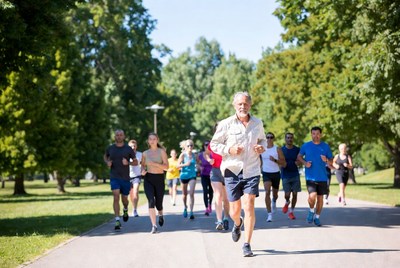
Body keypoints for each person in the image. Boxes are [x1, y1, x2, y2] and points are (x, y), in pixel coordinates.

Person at [210, 91, 267, 257]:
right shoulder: (226, 123)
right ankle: (237, 222)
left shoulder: (257, 123)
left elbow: (262, 140)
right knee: (235, 211)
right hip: (232, 170)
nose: (243, 106)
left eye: (246, 103)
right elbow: (214, 144)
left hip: (252, 169)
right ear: (234, 105)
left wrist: (261, 147)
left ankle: (247, 244)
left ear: (250, 105)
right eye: (240, 104)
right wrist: (229, 149)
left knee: (249, 204)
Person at [297, 126, 333, 227]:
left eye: (317, 134)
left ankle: (317, 217)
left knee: (320, 199)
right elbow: (299, 156)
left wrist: (326, 160)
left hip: (322, 177)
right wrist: (305, 163)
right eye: (313, 134)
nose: (315, 136)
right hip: (310, 177)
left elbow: (331, 160)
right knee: (312, 196)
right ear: (311, 134)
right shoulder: (306, 146)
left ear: (320, 135)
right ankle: (311, 210)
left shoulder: (325, 146)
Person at [104, 129, 138, 230]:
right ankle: (117, 220)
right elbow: (105, 156)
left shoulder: (128, 149)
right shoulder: (110, 148)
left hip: (125, 178)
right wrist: (107, 162)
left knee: (124, 199)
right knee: (115, 197)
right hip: (114, 177)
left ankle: (126, 209)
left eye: (121, 135)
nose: (119, 136)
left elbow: (136, 162)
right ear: (115, 137)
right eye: (117, 135)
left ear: (124, 137)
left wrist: (128, 163)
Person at [141, 132, 169, 234]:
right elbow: (143, 165)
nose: (152, 141)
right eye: (150, 139)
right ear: (148, 141)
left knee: (159, 204)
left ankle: (160, 215)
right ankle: (154, 225)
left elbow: (166, 167)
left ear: (157, 140)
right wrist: (142, 171)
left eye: (154, 139)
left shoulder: (162, 152)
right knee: (151, 201)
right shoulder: (145, 153)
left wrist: (154, 164)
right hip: (148, 179)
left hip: (159, 179)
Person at [205, 122, 230, 231]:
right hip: (215, 171)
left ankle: (226, 218)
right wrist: (209, 159)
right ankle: (219, 220)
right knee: (218, 195)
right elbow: (206, 153)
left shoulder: (229, 142)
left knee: (226, 199)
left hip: (228, 171)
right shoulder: (213, 143)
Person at [260, 132, 286, 222]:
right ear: (265, 139)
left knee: (275, 194)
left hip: (275, 174)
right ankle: (269, 214)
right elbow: (259, 161)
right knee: (267, 192)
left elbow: (284, 163)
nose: (269, 139)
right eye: (267, 137)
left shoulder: (277, 149)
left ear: (273, 139)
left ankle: (274, 201)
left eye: (271, 137)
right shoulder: (262, 149)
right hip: (266, 173)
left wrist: (275, 160)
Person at [280, 132, 301, 220]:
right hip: (285, 174)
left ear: (293, 139)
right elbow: (280, 161)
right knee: (287, 194)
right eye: (288, 138)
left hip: (295, 174)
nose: (289, 139)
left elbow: (301, 160)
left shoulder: (297, 149)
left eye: (291, 138)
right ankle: (287, 202)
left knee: (295, 194)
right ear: (285, 139)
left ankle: (291, 211)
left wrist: (298, 162)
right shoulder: (281, 150)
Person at [178, 139, 197, 220]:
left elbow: (198, 162)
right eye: (188, 146)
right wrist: (185, 164)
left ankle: (191, 212)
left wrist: (199, 166)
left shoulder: (194, 155)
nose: (190, 147)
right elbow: (177, 166)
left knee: (191, 193)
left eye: (191, 145)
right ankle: (185, 207)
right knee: (184, 195)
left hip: (192, 176)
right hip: (184, 176)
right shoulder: (182, 155)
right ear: (185, 147)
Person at [197, 140, 213, 216]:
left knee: (211, 192)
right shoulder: (200, 155)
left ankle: (210, 204)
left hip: (212, 175)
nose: (206, 146)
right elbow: (197, 163)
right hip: (204, 175)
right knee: (205, 191)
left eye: (208, 145)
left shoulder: (213, 154)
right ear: (203, 146)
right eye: (205, 145)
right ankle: (206, 207)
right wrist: (200, 167)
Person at [128, 139, 142, 217]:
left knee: (135, 192)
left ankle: (135, 210)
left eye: (134, 146)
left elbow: (143, 163)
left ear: (136, 146)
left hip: (137, 176)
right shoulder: (126, 155)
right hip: (128, 176)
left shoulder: (140, 154)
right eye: (131, 146)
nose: (133, 147)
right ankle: (133, 207)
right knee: (131, 195)